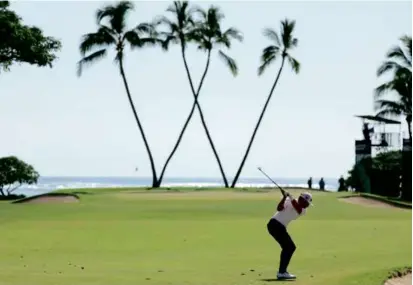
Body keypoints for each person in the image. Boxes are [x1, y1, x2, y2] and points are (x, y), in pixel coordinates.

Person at [266, 191, 313, 280]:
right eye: (307, 203)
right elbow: (279, 208)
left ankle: (282, 271)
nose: (307, 205)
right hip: (274, 224)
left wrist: (290, 197)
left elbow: (297, 208)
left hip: (279, 227)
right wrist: (284, 198)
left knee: (289, 247)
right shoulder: (289, 200)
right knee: (289, 247)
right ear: (301, 200)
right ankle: (282, 272)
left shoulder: (303, 210)